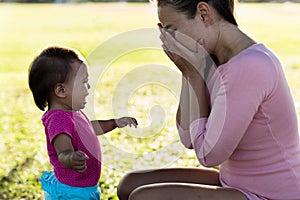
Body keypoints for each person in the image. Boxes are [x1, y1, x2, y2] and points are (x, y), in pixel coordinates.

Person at [117, 0, 300, 199]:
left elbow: (209, 155)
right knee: (129, 184)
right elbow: (188, 138)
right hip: (234, 182)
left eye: (172, 30)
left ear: (204, 14)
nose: (169, 41)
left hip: (273, 194)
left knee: (143, 197)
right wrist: (188, 73)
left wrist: (195, 76)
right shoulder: (210, 59)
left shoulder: (250, 66)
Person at [28, 46, 138, 200]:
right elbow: (62, 152)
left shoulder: (71, 113)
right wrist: (70, 157)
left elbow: (89, 129)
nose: (88, 87)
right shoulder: (58, 118)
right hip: (72, 191)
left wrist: (114, 123)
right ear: (61, 91)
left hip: (82, 187)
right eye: (84, 82)